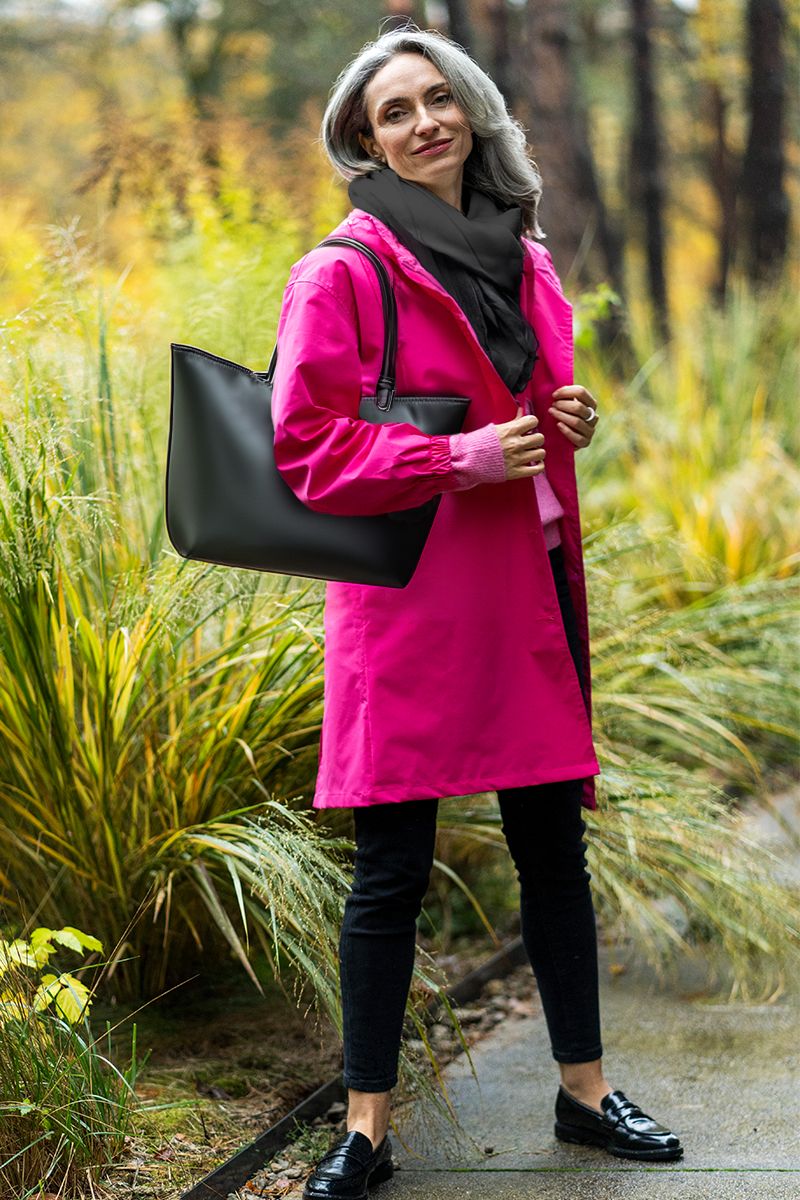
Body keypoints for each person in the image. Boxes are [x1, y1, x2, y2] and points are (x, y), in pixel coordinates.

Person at [271, 27, 683, 1200]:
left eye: (438, 100)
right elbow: (304, 450)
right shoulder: (341, 271)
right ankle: (364, 1130)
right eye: (394, 111)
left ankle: (586, 1091)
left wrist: (564, 419)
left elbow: (524, 418)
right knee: (388, 871)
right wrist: (458, 454)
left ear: (473, 113)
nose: (423, 123)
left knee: (552, 852)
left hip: (523, 584)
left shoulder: (525, 257)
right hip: (411, 604)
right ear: (362, 138)